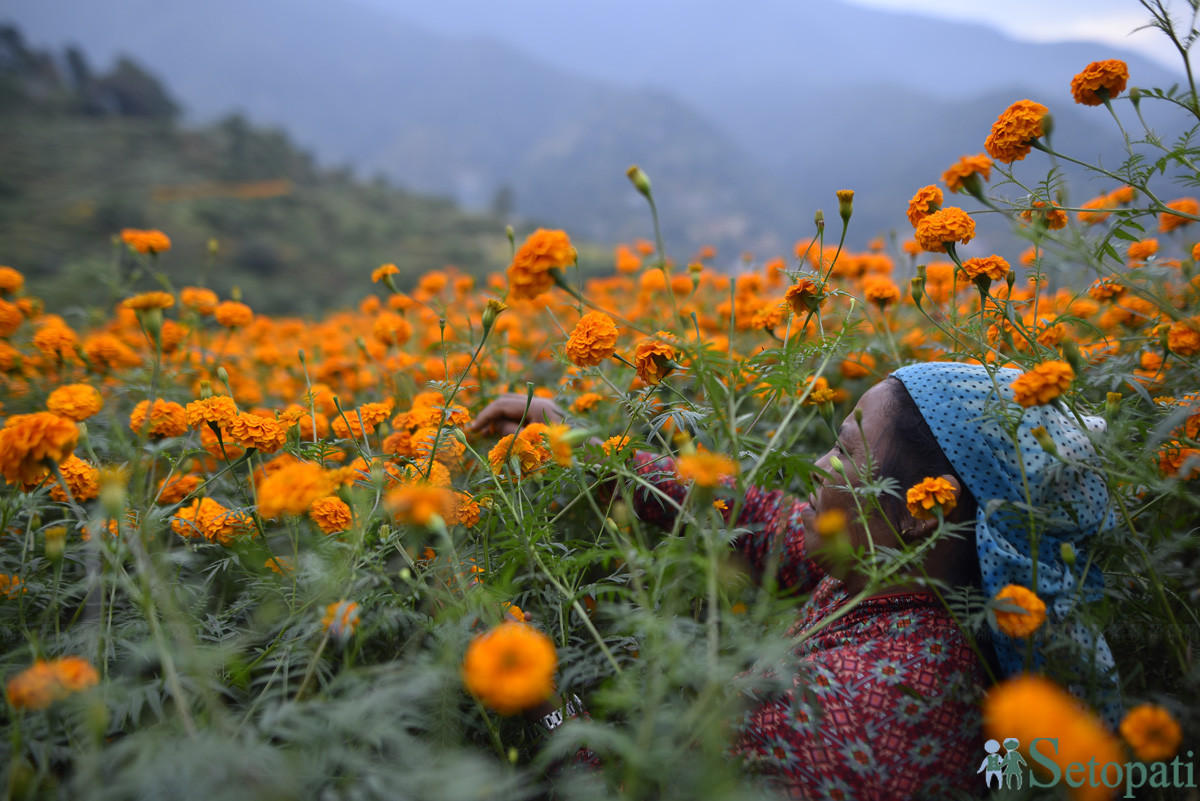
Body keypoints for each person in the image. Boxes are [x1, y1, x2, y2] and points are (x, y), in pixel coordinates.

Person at [471, 361, 1116, 798]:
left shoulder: (846, 713)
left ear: (927, 509)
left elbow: (637, 787)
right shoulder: (911, 584)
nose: (817, 464)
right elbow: (759, 522)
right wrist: (588, 452)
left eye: (846, 449)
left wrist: (534, 693)